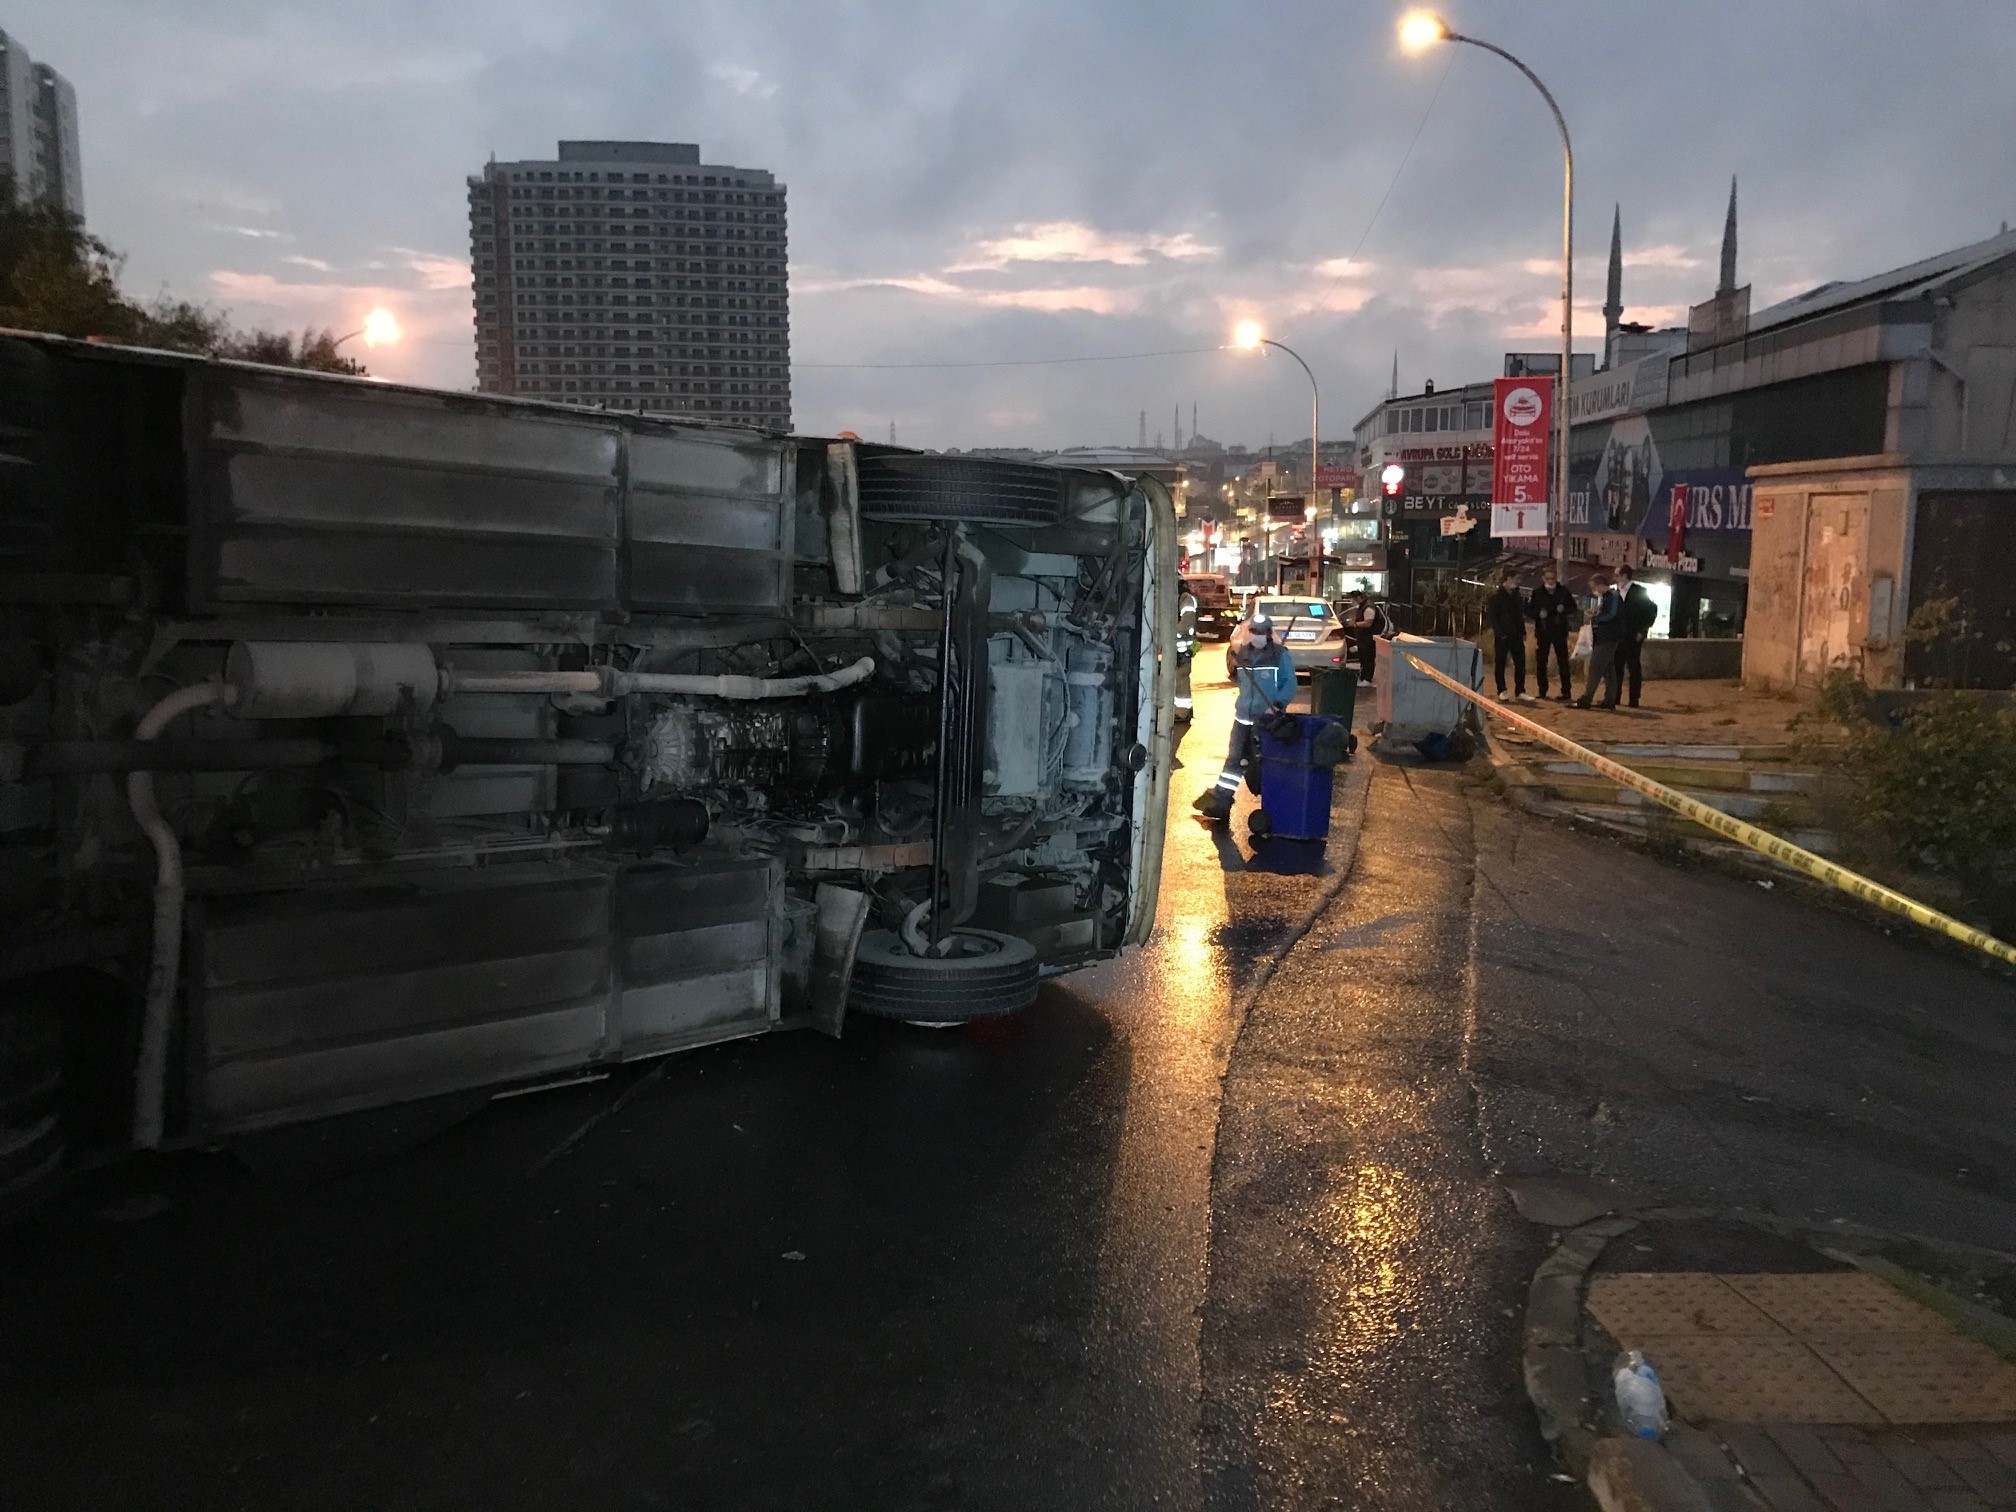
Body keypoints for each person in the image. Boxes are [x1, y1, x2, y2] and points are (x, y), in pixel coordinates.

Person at [1193, 611, 1297, 821]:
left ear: (1269, 633)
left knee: (1266, 764)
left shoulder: (1280, 655)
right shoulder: (1244, 654)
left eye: (1262, 632)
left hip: (1267, 720)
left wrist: (1278, 704)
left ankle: (1276, 807)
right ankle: (1222, 802)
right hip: (1243, 719)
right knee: (1234, 760)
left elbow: (1290, 682)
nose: (1257, 635)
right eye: (1254, 631)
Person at [1528, 563, 1579, 702]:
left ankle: (1566, 691)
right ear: (1543, 578)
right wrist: (1539, 614)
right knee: (1541, 661)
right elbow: (1529, 610)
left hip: (1559, 631)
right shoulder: (1537, 593)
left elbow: (1573, 607)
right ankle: (1542, 690)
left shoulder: (1563, 592)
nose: (1551, 581)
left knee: (1563, 662)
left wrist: (1564, 609)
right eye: (1548, 578)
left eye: (1553, 578)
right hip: (1543, 631)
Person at [1575, 573, 1624, 709]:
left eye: (1593, 587)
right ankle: (1609, 699)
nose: (1593, 591)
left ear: (1600, 585)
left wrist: (1595, 618)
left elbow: (1611, 615)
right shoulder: (1609, 597)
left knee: (1595, 668)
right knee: (1608, 670)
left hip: (1608, 637)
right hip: (1607, 636)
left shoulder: (1613, 597)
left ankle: (1587, 698)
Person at [1484, 571, 1533, 703]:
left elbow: (1519, 616)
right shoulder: (1496, 597)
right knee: (1500, 663)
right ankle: (1501, 690)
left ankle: (1520, 691)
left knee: (1520, 663)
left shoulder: (1517, 596)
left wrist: (1522, 631)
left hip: (1516, 635)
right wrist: (1500, 633)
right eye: (1517, 578)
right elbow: (1492, 618)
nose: (1519, 582)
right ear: (1508, 578)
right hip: (1503, 635)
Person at [1617, 566, 1659, 708]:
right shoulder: (1617, 592)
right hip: (1619, 635)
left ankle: (1634, 699)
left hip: (1633, 635)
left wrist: (1643, 630)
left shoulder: (1639, 591)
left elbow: (1651, 610)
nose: (1615, 578)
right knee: (1617, 666)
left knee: (1633, 667)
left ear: (1624, 576)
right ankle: (1615, 697)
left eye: (1617, 575)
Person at [1344, 593, 1389, 687]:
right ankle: (1363, 677)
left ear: (1358, 598)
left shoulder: (1368, 608)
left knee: (1367, 658)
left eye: (1352, 599)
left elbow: (1368, 623)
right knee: (1363, 657)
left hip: (1369, 637)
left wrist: (1355, 624)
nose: (1351, 602)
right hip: (1364, 638)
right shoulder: (1363, 606)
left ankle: (1367, 679)